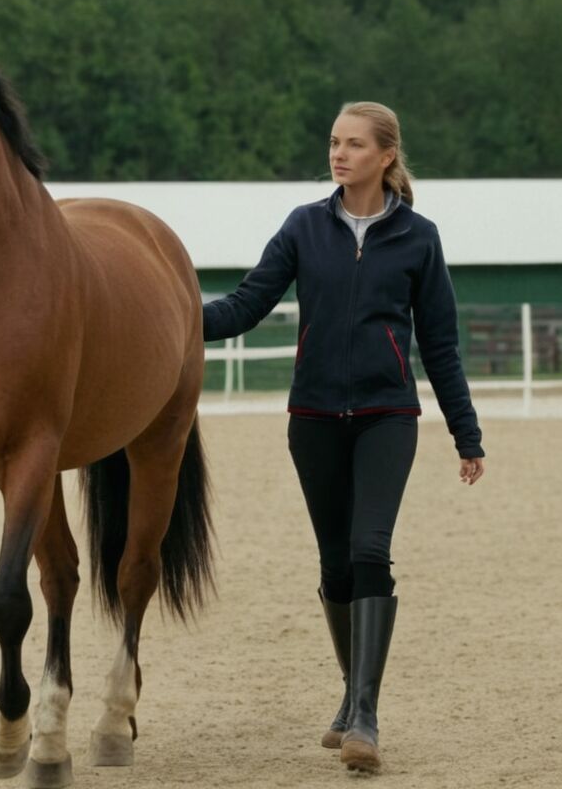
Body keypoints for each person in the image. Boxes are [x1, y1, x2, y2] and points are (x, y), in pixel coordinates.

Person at [203, 101, 485, 774]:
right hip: (314, 420)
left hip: (389, 416)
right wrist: (169, 315)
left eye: (354, 145)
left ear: (386, 155)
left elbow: (441, 346)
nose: (339, 154)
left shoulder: (419, 238)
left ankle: (364, 714)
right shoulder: (304, 227)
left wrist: (465, 435)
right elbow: (245, 306)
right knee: (334, 566)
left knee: (369, 550)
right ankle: (351, 695)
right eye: (334, 142)